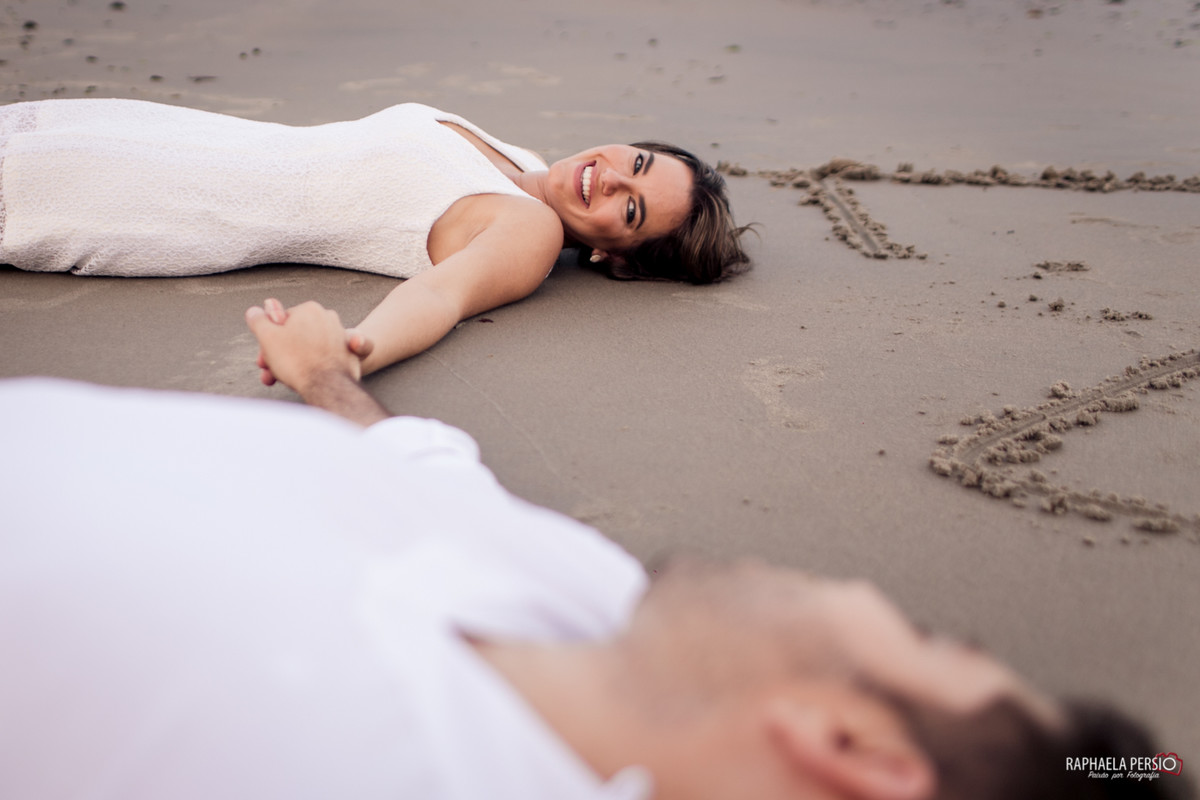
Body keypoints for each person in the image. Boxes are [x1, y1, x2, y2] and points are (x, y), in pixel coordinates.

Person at [0, 301, 1186, 800]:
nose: (877, 592)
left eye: (926, 636)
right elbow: (431, 479)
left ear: (854, 743)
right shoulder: (599, 608)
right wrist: (331, 383)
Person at [0, 98, 752, 376]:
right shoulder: (520, 165)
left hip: (160, 195)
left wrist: (353, 352)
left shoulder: (525, 229)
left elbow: (439, 294)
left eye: (630, 210)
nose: (613, 179)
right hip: (169, 133)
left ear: (612, 254)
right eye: (638, 163)